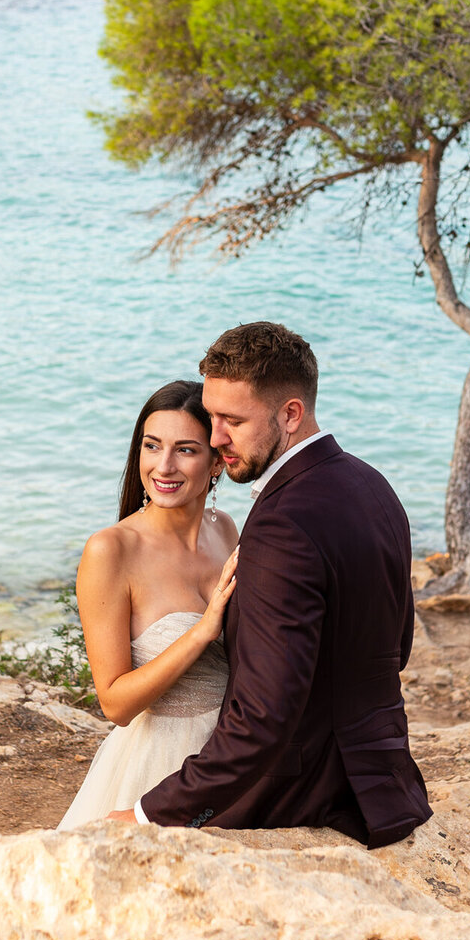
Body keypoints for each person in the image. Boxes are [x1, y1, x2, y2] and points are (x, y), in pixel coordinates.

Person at [115, 321, 432, 847]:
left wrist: (153, 815)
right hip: (386, 784)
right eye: (213, 417)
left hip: (304, 796)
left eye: (231, 420)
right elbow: (396, 647)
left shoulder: (279, 524)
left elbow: (263, 719)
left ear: (291, 413)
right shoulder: (373, 486)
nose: (216, 438)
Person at [58, 380, 241, 827]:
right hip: (157, 768)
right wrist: (202, 632)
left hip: (228, 760)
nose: (164, 466)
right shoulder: (111, 551)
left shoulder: (226, 531)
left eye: (186, 450)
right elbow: (115, 705)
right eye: (152, 446)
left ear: (217, 461)